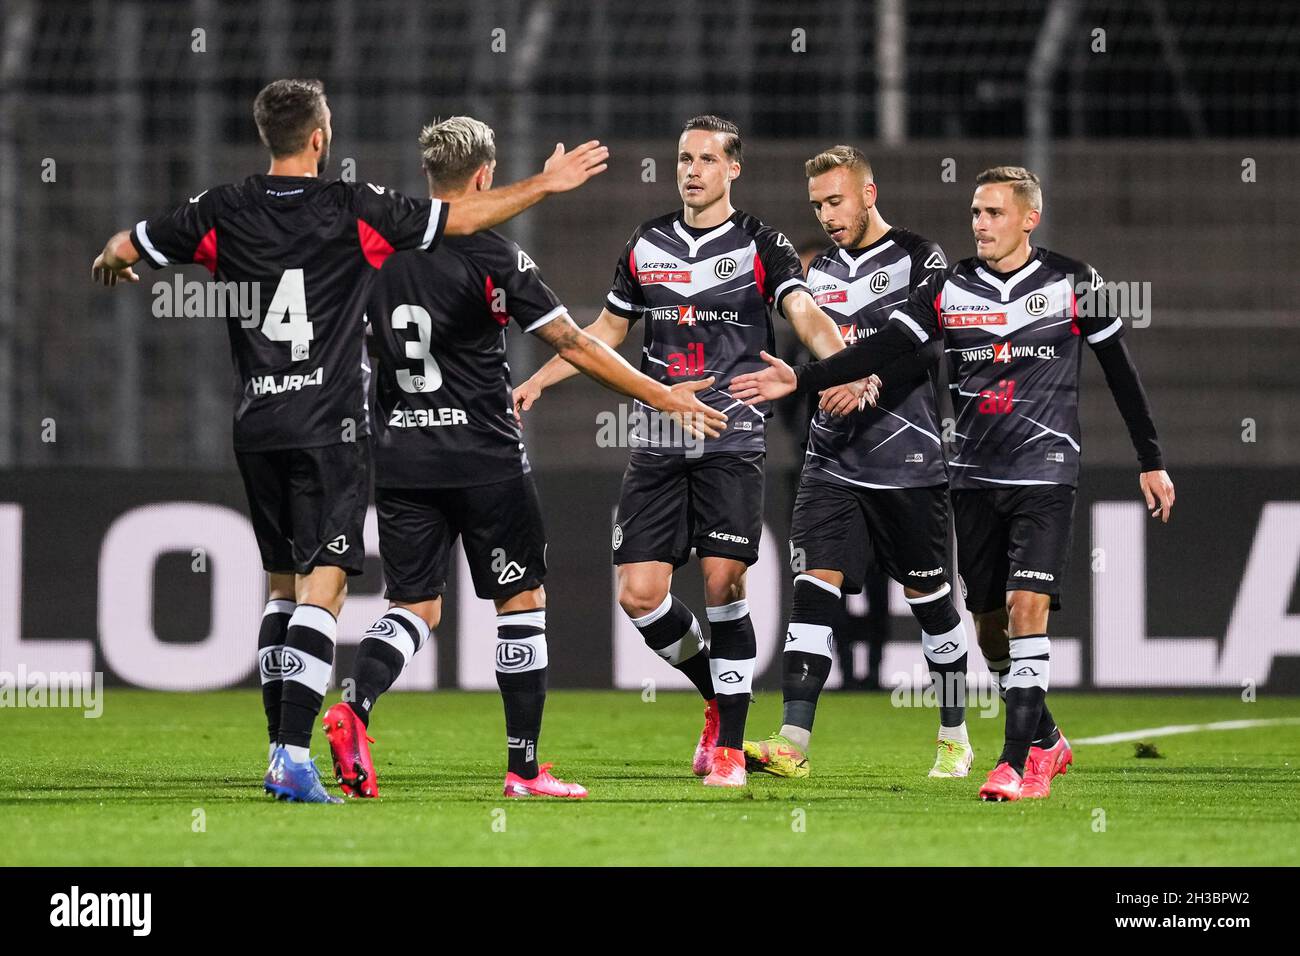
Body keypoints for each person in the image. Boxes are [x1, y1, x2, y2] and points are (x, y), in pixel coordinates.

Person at [90, 79, 608, 803]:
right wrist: (547, 185)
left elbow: (131, 242)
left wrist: (117, 256)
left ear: (266, 134)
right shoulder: (352, 210)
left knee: (282, 592)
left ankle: (280, 747)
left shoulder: (219, 209)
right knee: (323, 592)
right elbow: (460, 219)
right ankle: (296, 758)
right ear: (319, 138)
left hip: (258, 425)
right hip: (330, 428)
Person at [729, 165, 1175, 801]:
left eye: (994, 213)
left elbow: (1122, 371)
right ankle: (1045, 739)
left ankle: (1009, 762)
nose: (981, 225)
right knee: (987, 626)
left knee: (1022, 610)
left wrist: (1150, 458)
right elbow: (887, 344)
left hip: (1036, 474)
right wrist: (806, 380)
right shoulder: (950, 286)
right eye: (975, 213)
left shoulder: (1076, 281)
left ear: (1029, 217)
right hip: (970, 479)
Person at [320, 116, 724, 800]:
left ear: (430, 178)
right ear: (484, 177)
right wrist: (660, 394)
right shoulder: (494, 258)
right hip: (484, 459)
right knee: (520, 600)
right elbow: (574, 342)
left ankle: (352, 708)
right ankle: (525, 768)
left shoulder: (374, 253)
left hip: (400, 457)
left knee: (414, 606)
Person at [514, 116, 859, 787]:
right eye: (682, 159)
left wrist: (846, 362)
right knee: (639, 596)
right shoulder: (648, 243)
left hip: (732, 439)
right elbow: (605, 333)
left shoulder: (763, 243)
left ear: (734, 169)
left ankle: (730, 747)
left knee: (724, 581)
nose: (691, 170)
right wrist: (538, 378)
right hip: (659, 442)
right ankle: (716, 694)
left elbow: (807, 314)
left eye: (705, 159)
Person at [743, 146, 972, 780]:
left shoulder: (920, 257)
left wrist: (862, 377)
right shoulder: (812, 274)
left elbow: (920, 345)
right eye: (817, 205)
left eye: (836, 201)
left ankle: (954, 732)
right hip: (833, 457)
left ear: (869, 194)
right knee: (814, 587)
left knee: (930, 600)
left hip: (910, 460)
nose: (827, 215)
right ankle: (793, 739)